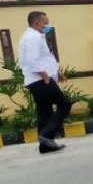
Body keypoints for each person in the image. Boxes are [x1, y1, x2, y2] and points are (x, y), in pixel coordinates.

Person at [18, 11, 72, 154]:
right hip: (40, 79)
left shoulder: (34, 36)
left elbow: (44, 57)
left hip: (38, 79)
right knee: (65, 104)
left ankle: (46, 146)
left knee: (45, 111)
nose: (48, 26)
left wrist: (57, 72)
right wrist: (44, 74)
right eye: (45, 23)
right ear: (36, 23)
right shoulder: (33, 37)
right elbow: (32, 60)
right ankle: (46, 135)